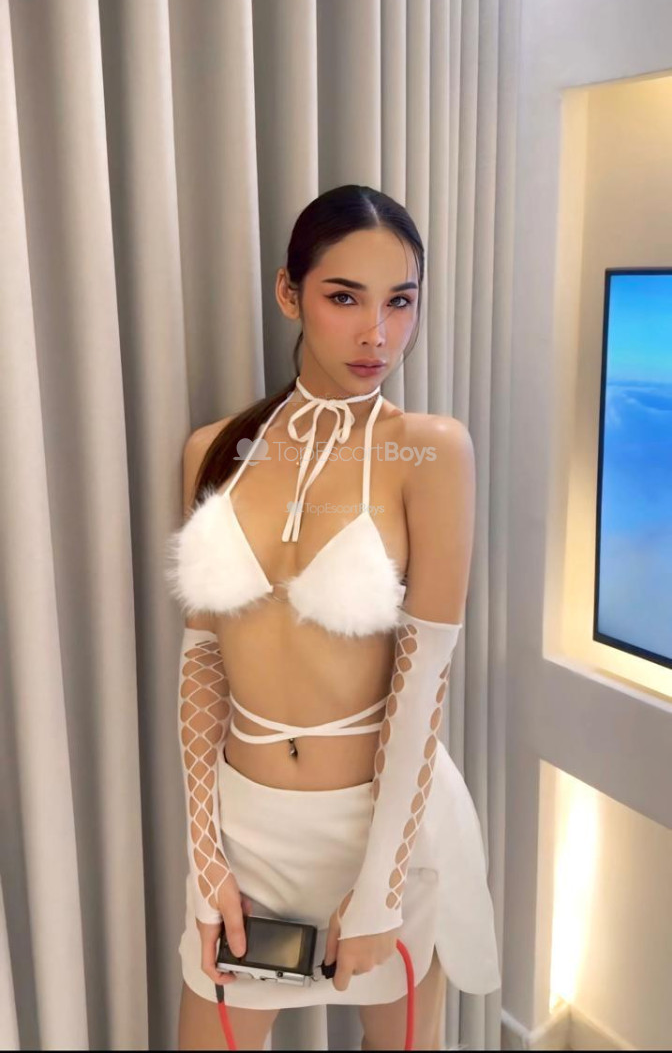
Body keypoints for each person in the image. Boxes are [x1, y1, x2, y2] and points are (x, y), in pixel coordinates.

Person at [165, 185, 501, 1051]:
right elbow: (202, 665)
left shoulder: (429, 452)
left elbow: (423, 681)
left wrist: (382, 886)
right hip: (246, 830)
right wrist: (205, 860)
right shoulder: (216, 452)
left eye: (401, 302)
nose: (377, 334)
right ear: (290, 293)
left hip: (381, 832)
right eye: (345, 297)